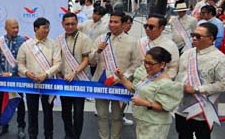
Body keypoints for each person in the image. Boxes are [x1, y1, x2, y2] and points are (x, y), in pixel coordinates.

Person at [175, 22, 225, 138]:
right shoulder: (187, 54)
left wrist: (198, 89)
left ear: (211, 38)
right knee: (183, 135)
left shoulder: (220, 60)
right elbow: (178, 74)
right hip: (181, 107)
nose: (194, 38)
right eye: (193, 35)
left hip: (202, 110)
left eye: (198, 36)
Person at [89, 11, 141, 139]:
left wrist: (124, 77)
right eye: (110, 21)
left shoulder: (133, 42)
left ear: (123, 24)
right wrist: (98, 51)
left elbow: (137, 64)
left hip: (121, 84)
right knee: (102, 115)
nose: (112, 24)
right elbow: (91, 61)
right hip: (101, 82)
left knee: (117, 117)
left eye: (116, 22)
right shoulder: (101, 39)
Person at [115, 47, 183, 139]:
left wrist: (145, 103)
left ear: (162, 64)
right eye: (145, 62)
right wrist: (122, 77)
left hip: (155, 124)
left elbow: (165, 107)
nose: (147, 66)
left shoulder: (167, 83)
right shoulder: (148, 76)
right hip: (142, 121)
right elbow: (134, 89)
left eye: (151, 63)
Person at [17, 17, 62, 139]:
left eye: (48, 28)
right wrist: (26, 72)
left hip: (48, 83)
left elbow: (58, 64)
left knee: (48, 112)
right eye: (44, 28)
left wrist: (46, 74)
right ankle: (33, 135)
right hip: (31, 83)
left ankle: (49, 135)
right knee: (32, 112)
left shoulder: (54, 44)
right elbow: (20, 63)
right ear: (36, 29)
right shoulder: (26, 45)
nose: (47, 30)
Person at [57, 13, 92, 139]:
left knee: (78, 114)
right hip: (64, 82)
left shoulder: (84, 38)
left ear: (77, 23)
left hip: (78, 81)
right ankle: (68, 135)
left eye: (73, 24)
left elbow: (86, 60)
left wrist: (74, 72)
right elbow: (57, 59)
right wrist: (58, 73)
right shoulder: (59, 39)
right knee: (65, 113)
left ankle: (76, 136)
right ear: (62, 24)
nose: (70, 26)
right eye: (67, 24)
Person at [0, 19, 26, 138]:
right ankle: (3, 125)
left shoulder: (22, 41)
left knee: (20, 103)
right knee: (3, 103)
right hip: (2, 79)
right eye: (13, 27)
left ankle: (21, 126)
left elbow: (21, 60)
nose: (16, 30)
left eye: (17, 27)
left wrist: (11, 73)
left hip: (17, 79)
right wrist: (2, 73)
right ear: (6, 28)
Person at [137, 14, 180, 79]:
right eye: (146, 26)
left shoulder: (170, 46)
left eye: (151, 27)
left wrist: (161, 79)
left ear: (161, 28)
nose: (147, 29)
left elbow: (173, 68)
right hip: (139, 80)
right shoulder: (140, 42)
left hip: (159, 83)